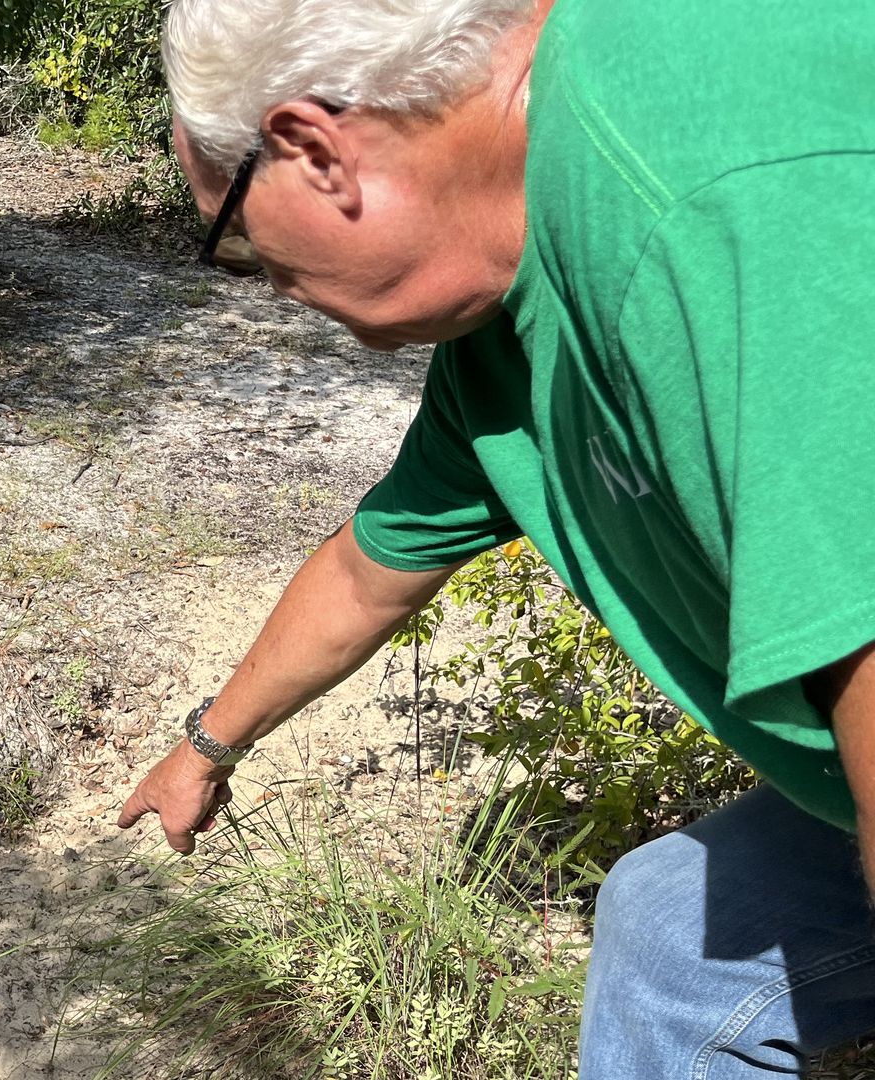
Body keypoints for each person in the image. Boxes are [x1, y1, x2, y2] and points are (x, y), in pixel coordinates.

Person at [113, 0, 875, 1074]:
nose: (274, 287)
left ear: (313, 149)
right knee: (670, 940)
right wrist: (205, 750)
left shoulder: (687, 166)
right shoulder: (508, 337)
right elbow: (368, 571)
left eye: (239, 241)